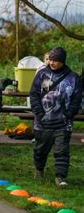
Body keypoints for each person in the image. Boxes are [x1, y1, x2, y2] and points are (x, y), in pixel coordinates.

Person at [30, 47, 82, 186]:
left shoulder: (73, 78)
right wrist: (40, 113)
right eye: (51, 59)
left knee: (62, 151)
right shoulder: (41, 74)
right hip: (42, 122)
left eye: (55, 60)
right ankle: (39, 169)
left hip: (64, 123)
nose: (52, 62)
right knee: (40, 149)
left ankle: (60, 177)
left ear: (62, 61)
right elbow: (34, 95)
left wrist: (69, 113)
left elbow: (77, 99)